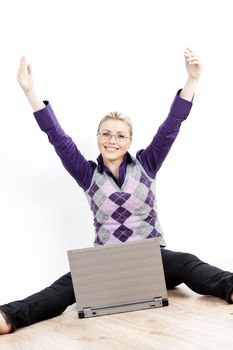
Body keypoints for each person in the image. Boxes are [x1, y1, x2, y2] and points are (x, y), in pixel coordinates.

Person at [1, 49, 233, 335]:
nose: (113, 140)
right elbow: (57, 137)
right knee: (65, 288)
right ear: (98, 138)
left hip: (152, 258)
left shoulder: (147, 163)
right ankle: (9, 317)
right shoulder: (86, 174)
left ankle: (230, 287)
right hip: (107, 264)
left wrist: (192, 80)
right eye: (106, 134)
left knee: (186, 263)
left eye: (120, 135)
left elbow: (172, 125)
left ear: (129, 140)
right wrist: (30, 92)